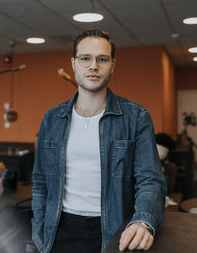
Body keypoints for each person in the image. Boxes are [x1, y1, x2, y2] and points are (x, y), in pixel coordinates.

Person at [31, 29, 166, 253]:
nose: (93, 66)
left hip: (114, 231)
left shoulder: (136, 117)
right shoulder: (52, 119)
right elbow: (40, 182)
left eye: (102, 59)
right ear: (73, 64)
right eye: (85, 58)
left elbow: (150, 181)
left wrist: (143, 221)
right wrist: (38, 229)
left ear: (112, 65)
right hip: (57, 232)